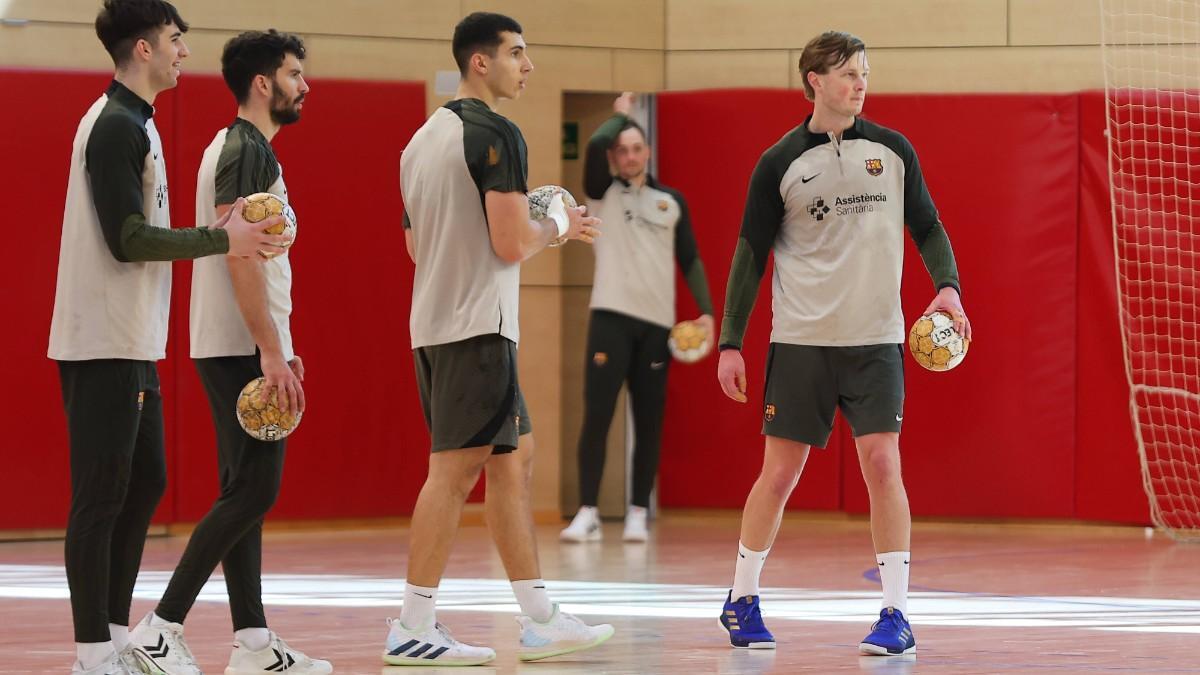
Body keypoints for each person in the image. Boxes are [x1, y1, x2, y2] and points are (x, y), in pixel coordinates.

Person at [47, 2, 290, 673]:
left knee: (145, 481)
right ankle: (93, 653)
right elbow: (126, 240)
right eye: (176, 40)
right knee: (99, 494)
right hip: (100, 341)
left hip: (135, 341)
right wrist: (224, 237)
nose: (186, 52)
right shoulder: (114, 126)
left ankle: (119, 636)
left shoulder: (142, 124)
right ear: (145, 48)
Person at [714, 31, 972, 657]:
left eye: (864, 72)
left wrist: (948, 288)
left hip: (876, 341)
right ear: (814, 81)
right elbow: (749, 258)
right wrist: (730, 342)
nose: (860, 83)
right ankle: (741, 597)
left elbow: (929, 226)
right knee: (780, 474)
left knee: (883, 464)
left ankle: (896, 613)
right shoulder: (779, 163)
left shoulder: (893, 151)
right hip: (801, 341)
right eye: (848, 73)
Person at [384, 11, 614, 667]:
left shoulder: (419, 141)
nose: (528, 65)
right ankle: (412, 622)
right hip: (476, 326)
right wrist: (560, 223)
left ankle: (540, 616)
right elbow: (512, 242)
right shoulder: (495, 131)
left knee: (515, 460)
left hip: (433, 325)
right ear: (479, 62)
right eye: (517, 53)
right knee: (453, 473)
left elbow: (412, 244)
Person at [127, 29, 331, 675]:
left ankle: (252, 642)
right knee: (253, 491)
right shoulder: (245, 150)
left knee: (245, 488)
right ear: (264, 83)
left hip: (240, 342)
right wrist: (270, 350)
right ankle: (160, 628)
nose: (306, 86)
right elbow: (241, 256)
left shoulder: (238, 146)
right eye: (296, 74)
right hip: (240, 345)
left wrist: (281, 343)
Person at [560, 92, 714, 543]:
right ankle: (587, 511)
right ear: (614, 156)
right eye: (620, 149)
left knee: (649, 421)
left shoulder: (672, 202)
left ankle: (636, 511)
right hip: (610, 317)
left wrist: (706, 312)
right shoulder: (602, 192)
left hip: (656, 327)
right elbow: (592, 150)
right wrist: (621, 116)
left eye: (635, 148)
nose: (628, 156)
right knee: (598, 417)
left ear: (647, 152)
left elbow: (690, 260)